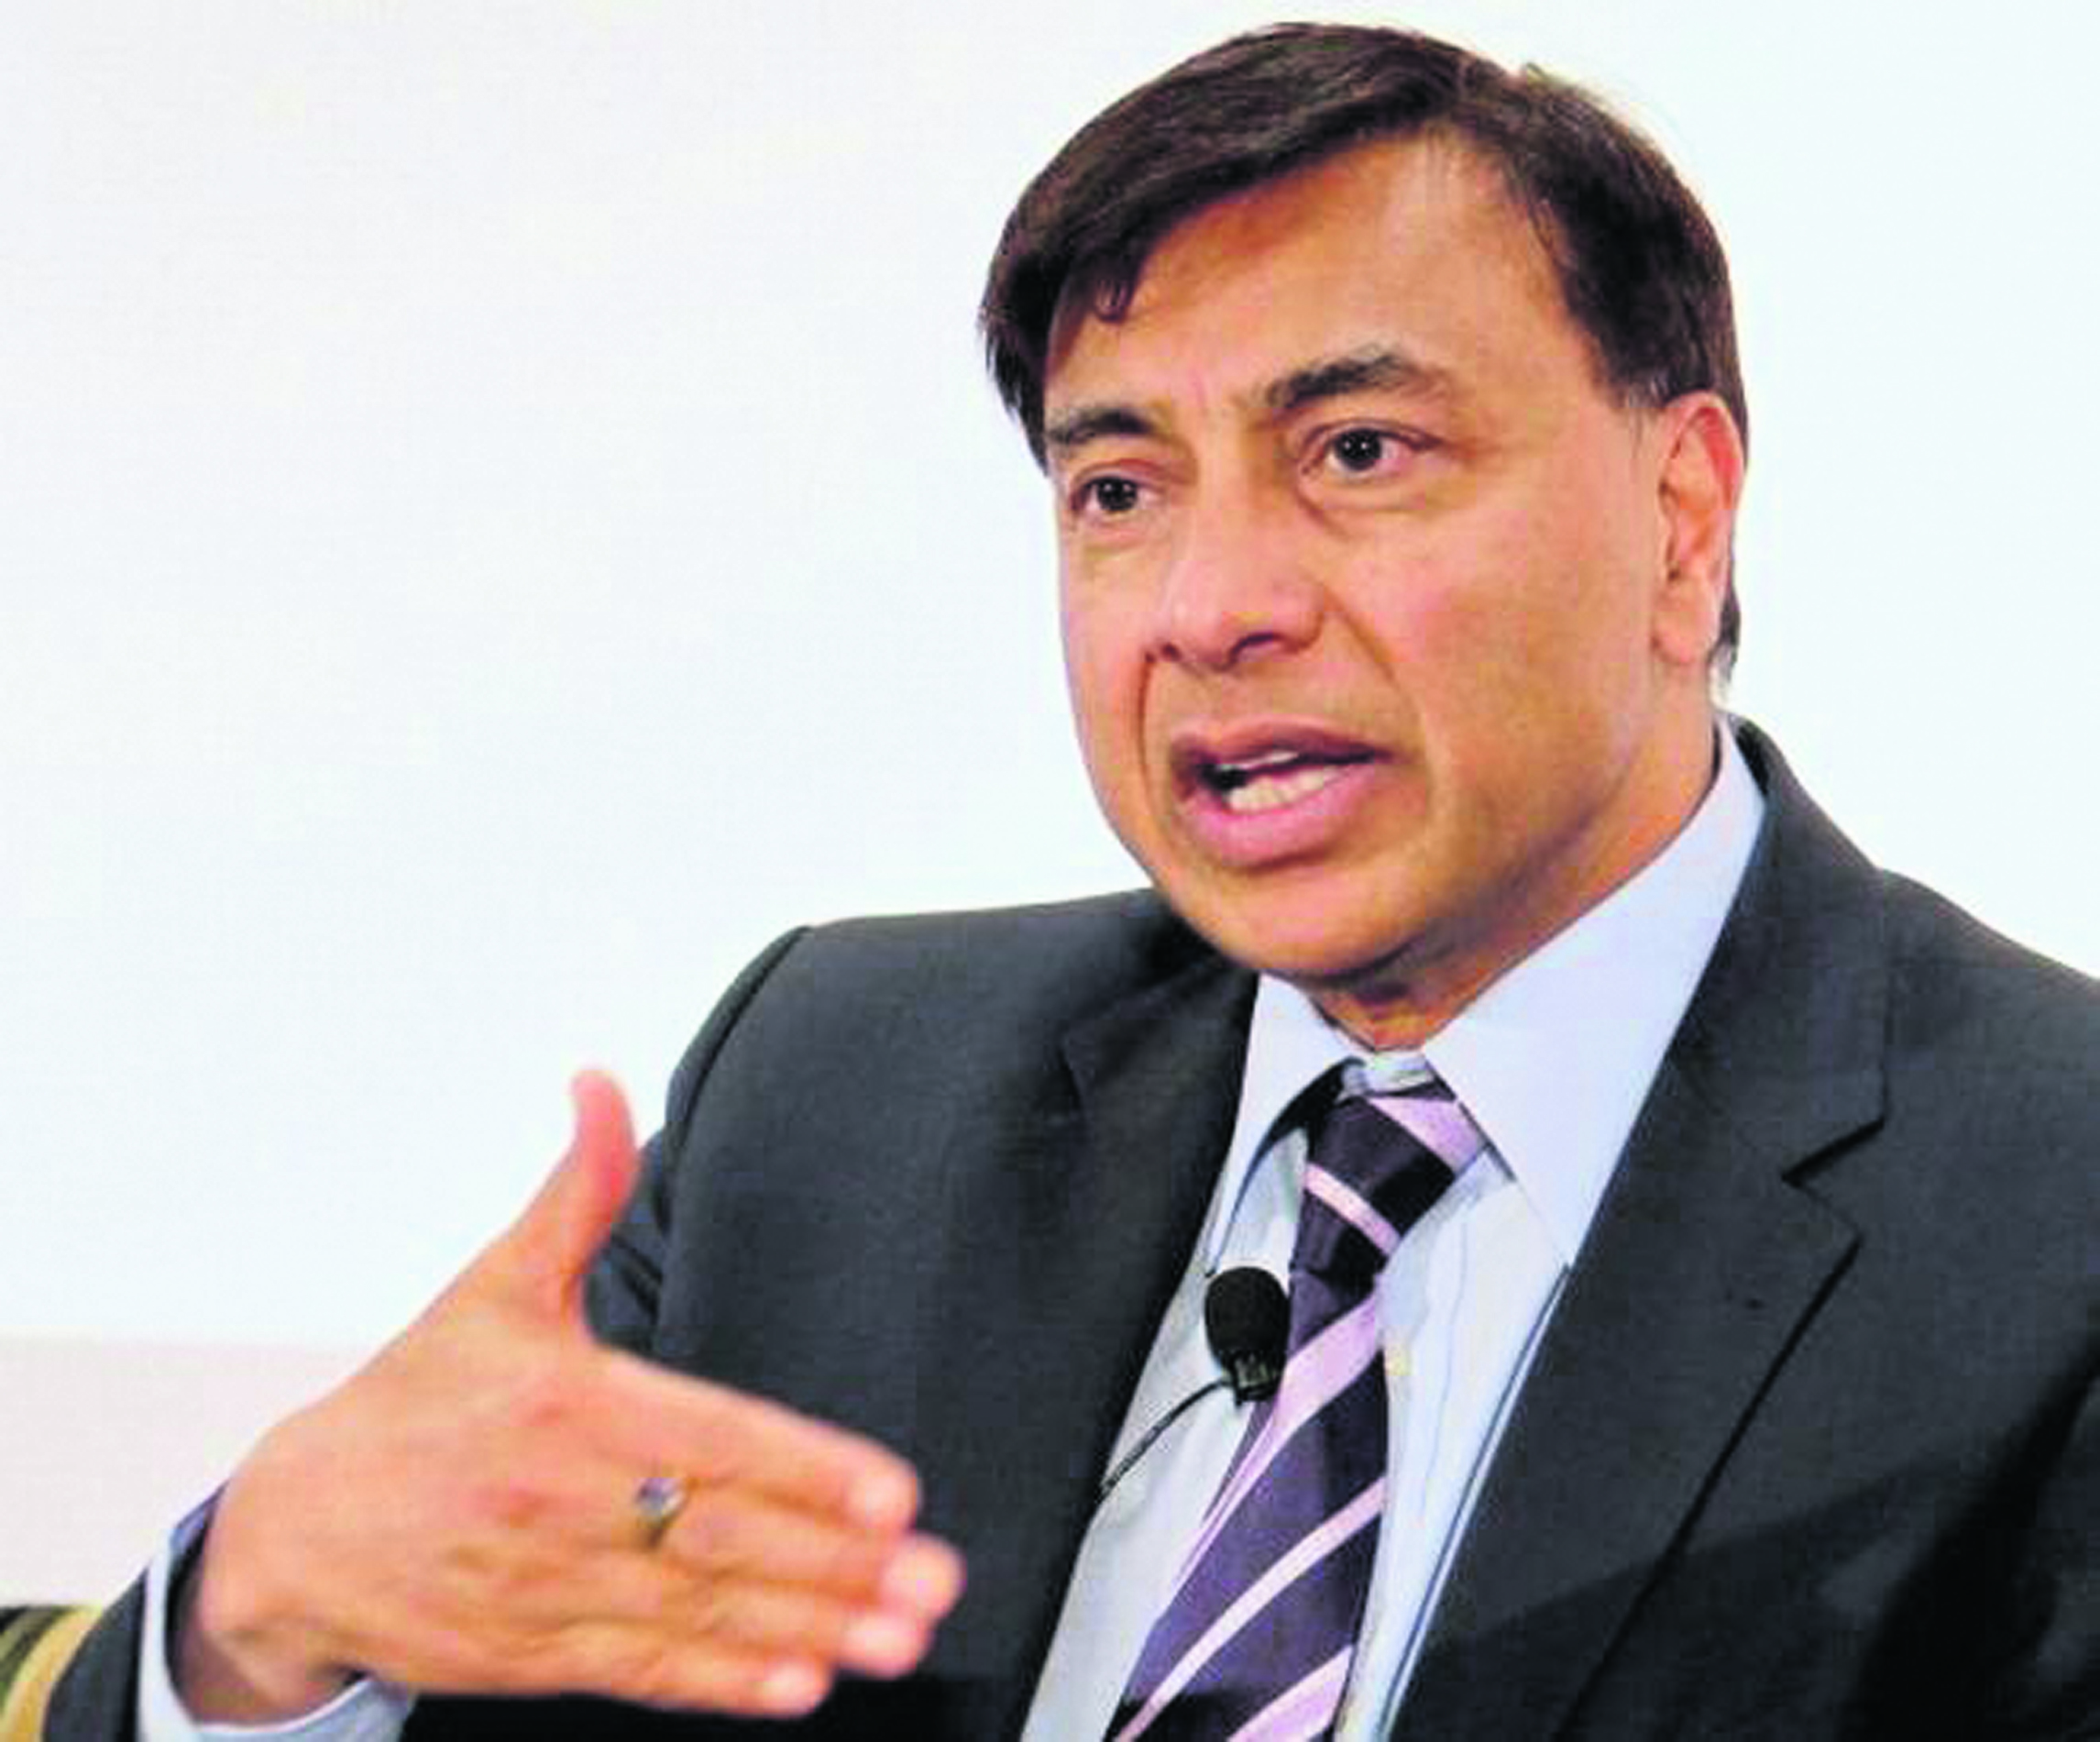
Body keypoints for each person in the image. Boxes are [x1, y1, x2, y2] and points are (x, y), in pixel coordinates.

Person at [50, 22, 2099, 1740]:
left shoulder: (2048, 1212)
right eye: (1116, 489)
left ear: (1680, 514)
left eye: (1357, 453)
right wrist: (254, 1628)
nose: (1209, 604)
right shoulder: (835, 1097)